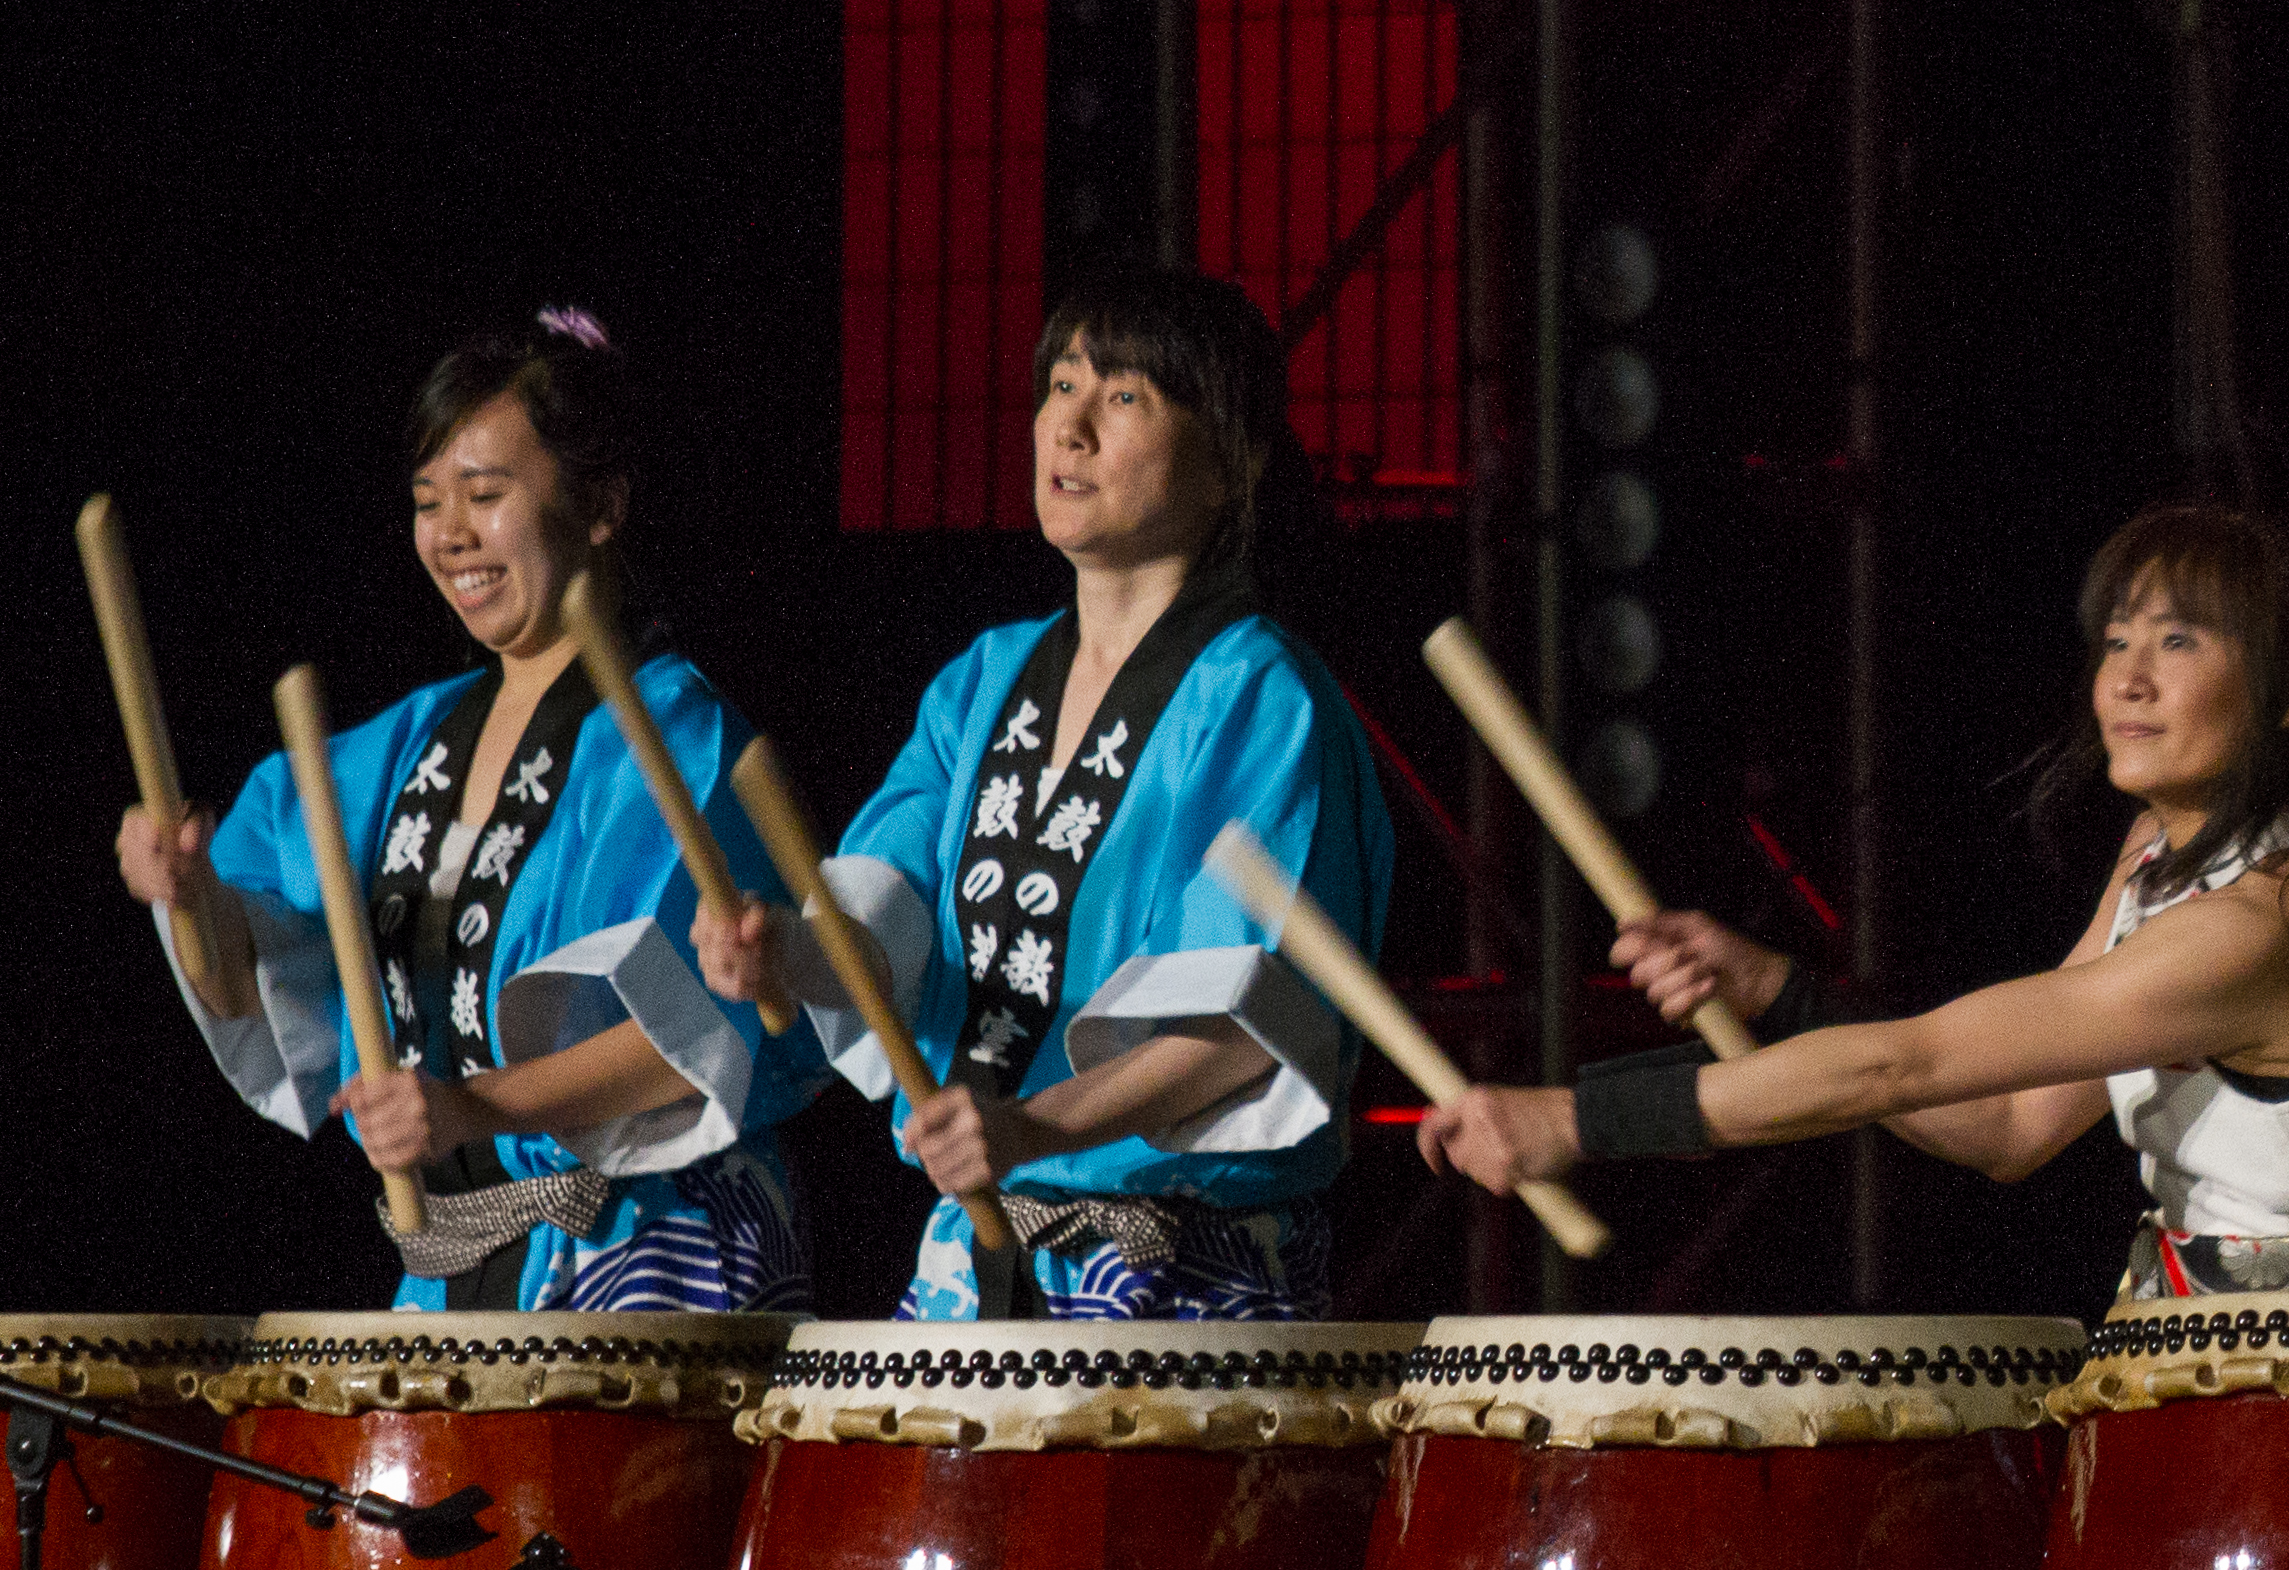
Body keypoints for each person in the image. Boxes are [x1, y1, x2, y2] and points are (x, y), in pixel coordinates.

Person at [1417, 502, 2289, 1297]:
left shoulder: (2279, 916)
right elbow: (2007, 1124)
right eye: (2117, 639)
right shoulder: (2158, 857)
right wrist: (1782, 989)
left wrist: (1573, 1118)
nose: (2126, 678)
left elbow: (1910, 1064)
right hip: (2229, 1372)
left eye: (2179, 640)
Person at [695, 268, 1391, 1319]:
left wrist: (1040, 1127)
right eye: (1060, 386)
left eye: (1122, 399)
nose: (1067, 428)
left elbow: (1252, 1022)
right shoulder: (985, 681)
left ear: (1231, 464)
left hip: (1177, 1270)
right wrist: (784, 952)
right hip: (975, 1253)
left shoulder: (1258, 696)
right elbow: (886, 907)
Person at [118, 312, 815, 1312]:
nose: (450, 534)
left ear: (602, 505)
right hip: (455, 1265)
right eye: (429, 501)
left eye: (486, 496)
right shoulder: (392, 751)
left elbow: (710, 1027)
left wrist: (469, 1105)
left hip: (652, 1247)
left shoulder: (680, 743)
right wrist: (187, 896)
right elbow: (240, 988)